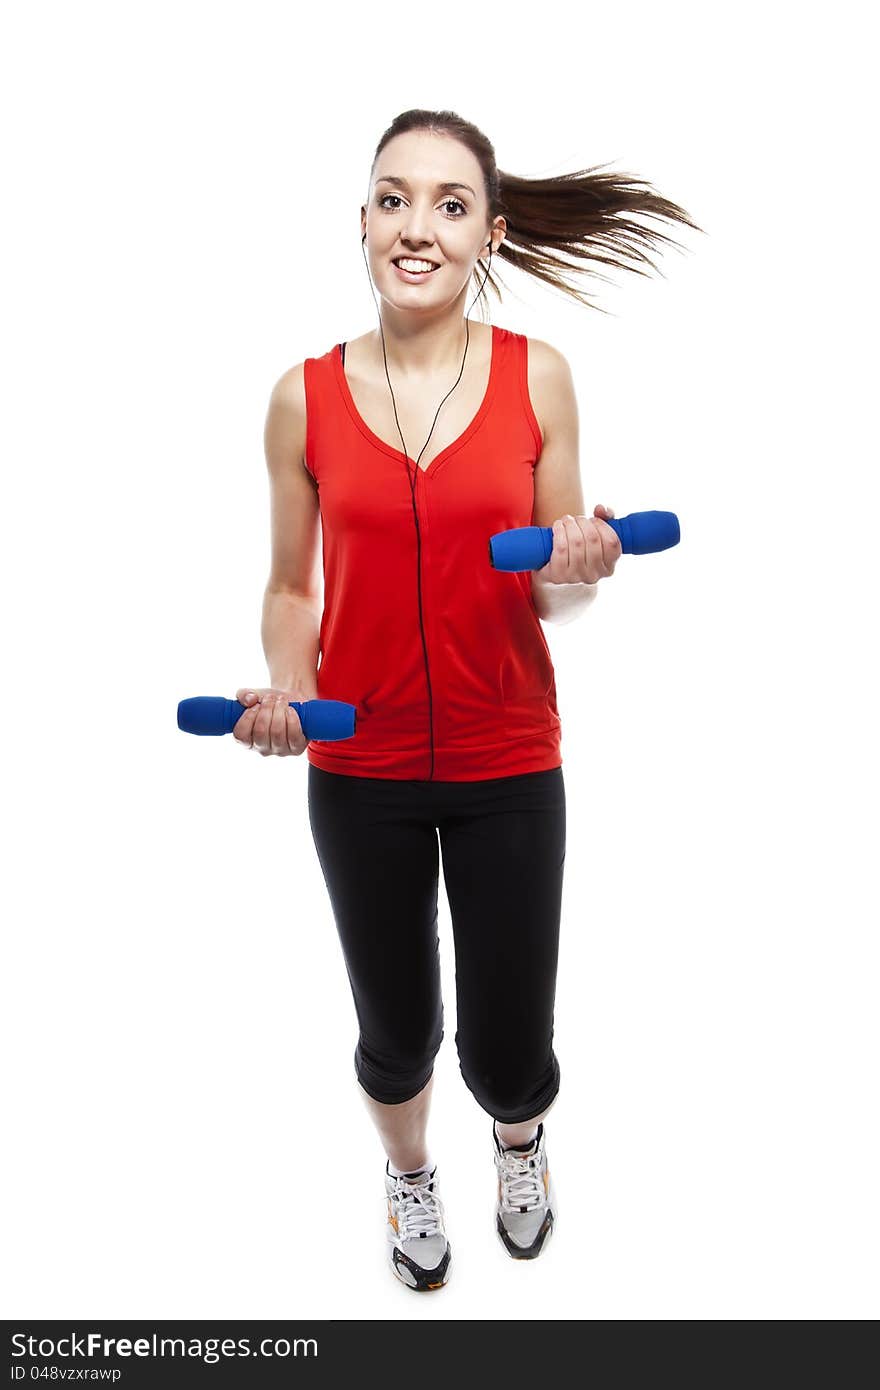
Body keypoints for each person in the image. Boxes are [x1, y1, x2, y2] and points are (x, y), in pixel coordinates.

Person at [233, 109, 700, 1291]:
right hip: (363, 769)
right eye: (392, 198)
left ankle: (519, 1139)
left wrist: (572, 564)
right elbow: (293, 587)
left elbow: (554, 586)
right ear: (362, 222)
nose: (416, 227)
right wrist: (293, 688)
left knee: (506, 1048)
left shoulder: (538, 375)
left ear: (488, 233)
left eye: (449, 204)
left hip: (506, 758)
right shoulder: (304, 396)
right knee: (396, 1035)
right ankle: (406, 1174)